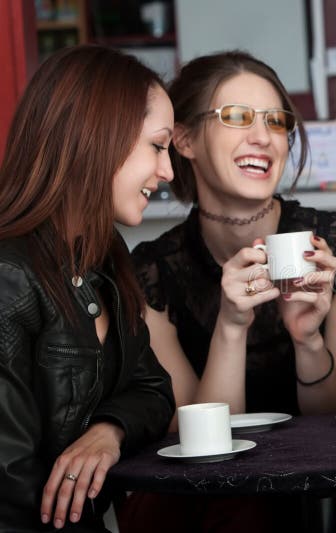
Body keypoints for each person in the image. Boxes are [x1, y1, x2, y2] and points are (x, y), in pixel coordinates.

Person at [119, 51, 336, 531]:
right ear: (184, 139)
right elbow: (200, 446)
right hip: (204, 509)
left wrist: (308, 340)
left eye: (276, 121)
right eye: (237, 117)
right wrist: (231, 326)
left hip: (318, 499)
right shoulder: (149, 274)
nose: (263, 137)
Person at [0, 45, 176, 531]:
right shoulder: (8, 276)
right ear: (98, 136)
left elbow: (154, 390)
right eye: (158, 146)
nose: (168, 173)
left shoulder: (101, 258)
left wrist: (108, 429)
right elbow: (10, 491)